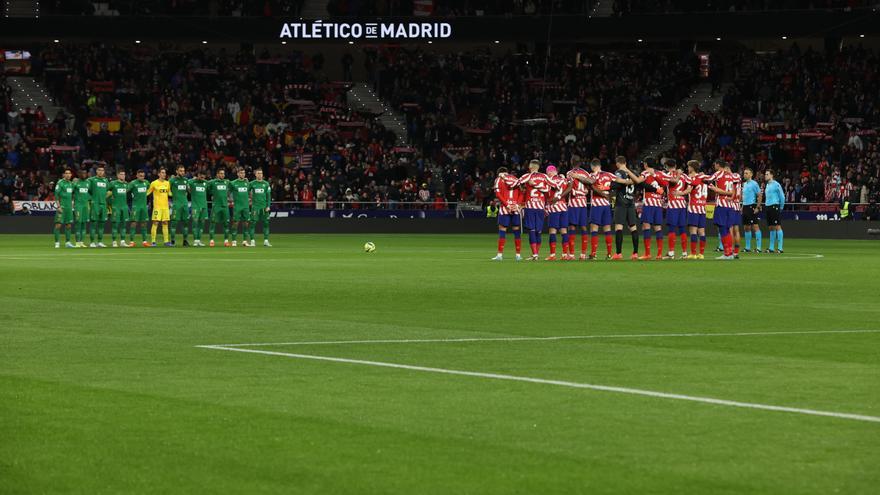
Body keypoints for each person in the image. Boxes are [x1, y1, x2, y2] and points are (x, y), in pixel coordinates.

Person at [572, 158, 615, 260]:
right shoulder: (609, 174)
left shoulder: (593, 175)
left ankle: (593, 254)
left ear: (593, 166)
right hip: (606, 205)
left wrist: (577, 176)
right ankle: (609, 254)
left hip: (597, 205)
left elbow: (590, 181)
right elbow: (617, 182)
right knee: (607, 229)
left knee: (594, 228)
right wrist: (609, 191)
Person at [514, 159, 551, 261]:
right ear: (538, 167)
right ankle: (536, 254)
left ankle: (534, 254)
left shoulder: (527, 176)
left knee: (532, 230)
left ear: (530, 167)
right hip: (540, 207)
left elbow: (516, 183)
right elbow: (550, 187)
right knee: (538, 231)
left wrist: (522, 188)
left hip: (530, 206)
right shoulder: (544, 176)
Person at [610, 156, 643, 260]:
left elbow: (616, 184)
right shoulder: (633, 173)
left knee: (619, 227)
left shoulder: (619, 172)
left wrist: (610, 185)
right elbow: (637, 182)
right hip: (631, 203)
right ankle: (635, 253)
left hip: (621, 203)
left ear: (618, 163)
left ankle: (618, 254)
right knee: (633, 228)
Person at [706, 160, 739, 260]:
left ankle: (727, 253)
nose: (714, 166)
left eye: (715, 164)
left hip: (721, 204)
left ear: (718, 165)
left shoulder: (718, 174)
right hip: (730, 205)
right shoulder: (733, 176)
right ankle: (730, 253)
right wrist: (730, 195)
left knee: (722, 229)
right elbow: (734, 192)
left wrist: (715, 189)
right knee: (727, 229)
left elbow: (708, 179)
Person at [637, 157, 667, 260]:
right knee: (658, 228)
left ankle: (648, 253)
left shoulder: (645, 173)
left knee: (646, 227)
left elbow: (638, 181)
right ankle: (659, 254)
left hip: (649, 203)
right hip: (658, 204)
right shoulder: (660, 174)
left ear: (645, 164)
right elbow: (666, 185)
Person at [491, 166, 522, 261]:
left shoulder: (498, 179)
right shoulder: (515, 179)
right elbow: (521, 193)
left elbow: (498, 194)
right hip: (515, 208)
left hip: (505, 208)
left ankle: (500, 255)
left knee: (502, 229)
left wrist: (507, 204)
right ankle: (518, 255)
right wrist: (517, 204)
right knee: (516, 230)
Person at [680, 161, 709, 259]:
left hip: (694, 207)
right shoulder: (703, 178)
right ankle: (701, 254)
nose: (687, 168)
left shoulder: (692, 178)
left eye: (688, 167)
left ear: (692, 167)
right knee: (702, 231)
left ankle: (693, 253)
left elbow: (688, 190)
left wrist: (679, 193)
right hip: (702, 207)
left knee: (693, 231)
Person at [663, 159, 689, 259]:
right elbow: (690, 185)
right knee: (682, 229)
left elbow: (671, 182)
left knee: (672, 229)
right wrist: (682, 193)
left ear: (666, 166)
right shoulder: (683, 175)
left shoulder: (668, 174)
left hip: (673, 204)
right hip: (682, 204)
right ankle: (684, 253)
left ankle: (671, 253)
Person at [565, 157, 590, 260]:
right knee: (584, 227)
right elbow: (589, 185)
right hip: (583, 203)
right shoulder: (586, 173)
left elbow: (569, 188)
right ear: (580, 163)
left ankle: (571, 254)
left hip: (573, 204)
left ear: (571, 162)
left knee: (572, 228)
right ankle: (583, 254)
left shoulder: (569, 173)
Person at [544, 165, 571, 261]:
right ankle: (564, 255)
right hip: (563, 206)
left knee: (552, 231)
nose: (547, 174)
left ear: (551, 172)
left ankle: (552, 255)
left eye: (548, 172)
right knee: (564, 230)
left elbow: (546, 193)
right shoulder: (563, 179)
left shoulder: (549, 180)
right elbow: (568, 189)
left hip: (554, 207)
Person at [147, 167, 172, 247]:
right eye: (162, 172)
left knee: (165, 223)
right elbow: (147, 193)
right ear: (158, 174)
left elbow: (170, 193)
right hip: (157, 207)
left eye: (164, 172)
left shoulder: (167, 183)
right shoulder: (154, 183)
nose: (164, 174)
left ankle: (166, 241)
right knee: (155, 223)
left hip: (165, 207)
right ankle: (153, 241)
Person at [107, 169, 131, 247]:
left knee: (123, 225)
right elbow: (105, 191)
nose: (123, 176)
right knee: (115, 225)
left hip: (124, 207)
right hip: (115, 207)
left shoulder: (126, 184)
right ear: (117, 175)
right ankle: (114, 241)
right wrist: (110, 201)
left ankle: (122, 241)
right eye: (121, 174)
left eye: (124, 174)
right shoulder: (113, 184)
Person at [249, 168, 272, 247]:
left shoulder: (266, 184)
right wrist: (249, 200)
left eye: (261, 173)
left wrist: (268, 206)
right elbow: (246, 192)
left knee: (266, 224)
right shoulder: (252, 184)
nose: (260, 175)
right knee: (252, 224)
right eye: (258, 173)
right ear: (255, 174)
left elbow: (269, 196)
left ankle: (266, 241)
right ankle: (252, 241)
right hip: (255, 207)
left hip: (264, 207)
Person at [208, 168, 231, 247]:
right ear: (217, 174)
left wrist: (244, 180)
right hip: (216, 206)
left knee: (226, 224)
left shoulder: (227, 182)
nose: (222, 175)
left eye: (223, 174)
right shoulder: (212, 182)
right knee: (212, 223)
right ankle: (211, 240)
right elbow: (204, 184)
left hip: (225, 206)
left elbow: (235, 185)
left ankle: (226, 241)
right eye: (221, 173)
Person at [53, 169, 76, 248]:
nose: (68, 175)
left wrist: (72, 203)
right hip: (62, 206)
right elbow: (56, 195)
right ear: (64, 175)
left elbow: (73, 194)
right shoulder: (60, 183)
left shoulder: (71, 184)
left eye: (69, 173)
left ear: (71, 175)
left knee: (68, 225)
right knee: (58, 225)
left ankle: (68, 242)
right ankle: (57, 243)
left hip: (69, 208)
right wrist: (58, 206)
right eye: (66, 173)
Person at [763, 169, 785, 253]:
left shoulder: (776, 184)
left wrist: (781, 207)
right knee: (771, 227)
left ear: (772, 175)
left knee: (777, 226)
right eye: (765, 174)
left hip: (774, 206)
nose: (765, 175)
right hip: (768, 207)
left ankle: (780, 248)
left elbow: (782, 196)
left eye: (767, 174)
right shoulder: (767, 185)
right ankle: (771, 248)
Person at [741, 168, 762, 253]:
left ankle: (759, 248)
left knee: (755, 226)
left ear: (751, 174)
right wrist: (742, 207)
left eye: (747, 173)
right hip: (745, 207)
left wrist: (757, 207)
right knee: (746, 227)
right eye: (744, 173)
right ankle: (747, 247)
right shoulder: (744, 184)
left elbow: (759, 195)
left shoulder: (754, 184)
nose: (745, 174)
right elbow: (744, 197)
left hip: (752, 206)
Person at [88, 164, 109, 247]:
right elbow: (87, 190)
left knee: (102, 223)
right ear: (96, 171)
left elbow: (107, 191)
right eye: (99, 170)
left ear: (104, 172)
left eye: (102, 170)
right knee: (93, 223)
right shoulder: (91, 180)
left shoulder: (106, 181)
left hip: (103, 204)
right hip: (95, 204)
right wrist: (92, 199)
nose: (101, 172)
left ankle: (100, 241)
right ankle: (92, 242)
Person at [230, 167, 252, 247]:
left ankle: (245, 241)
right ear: (237, 174)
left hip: (245, 206)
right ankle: (234, 241)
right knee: (235, 222)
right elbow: (228, 192)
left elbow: (249, 192)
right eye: (241, 173)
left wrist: (250, 199)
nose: (242, 174)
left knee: (246, 223)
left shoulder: (247, 183)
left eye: (243, 173)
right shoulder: (233, 183)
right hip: (237, 206)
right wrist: (231, 200)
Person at [128, 170, 151, 247]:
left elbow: (150, 190)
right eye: (140, 176)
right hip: (135, 206)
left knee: (144, 223)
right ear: (137, 175)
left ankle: (144, 241)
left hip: (144, 206)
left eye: (143, 176)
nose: (142, 177)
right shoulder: (133, 183)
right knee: (133, 223)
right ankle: (132, 242)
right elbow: (126, 191)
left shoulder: (146, 183)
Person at [169, 165, 191, 246]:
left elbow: (189, 191)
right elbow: (167, 189)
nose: (182, 172)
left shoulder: (186, 180)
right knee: (174, 223)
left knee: (185, 223)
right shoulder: (172, 180)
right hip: (176, 205)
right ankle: (172, 241)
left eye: (183, 171)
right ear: (177, 171)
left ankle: (185, 241)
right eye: (181, 171)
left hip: (185, 204)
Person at [188, 170, 210, 247]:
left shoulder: (206, 183)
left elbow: (212, 183)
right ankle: (195, 240)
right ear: (198, 175)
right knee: (195, 222)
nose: (202, 177)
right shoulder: (192, 182)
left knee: (202, 223)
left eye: (204, 176)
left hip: (204, 206)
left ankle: (199, 240)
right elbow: (186, 182)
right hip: (195, 206)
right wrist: (193, 179)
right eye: (201, 175)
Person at [72, 170, 91, 248]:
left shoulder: (88, 183)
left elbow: (91, 192)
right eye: (82, 173)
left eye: (85, 173)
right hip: (78, 206)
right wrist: (72, 201)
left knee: (84, 224)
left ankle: (82, 242)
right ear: (79, 174)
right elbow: (70, 192)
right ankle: (77, 242)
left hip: (85, 206)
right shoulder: (75, 183)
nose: (83, 174)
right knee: (78, 224)